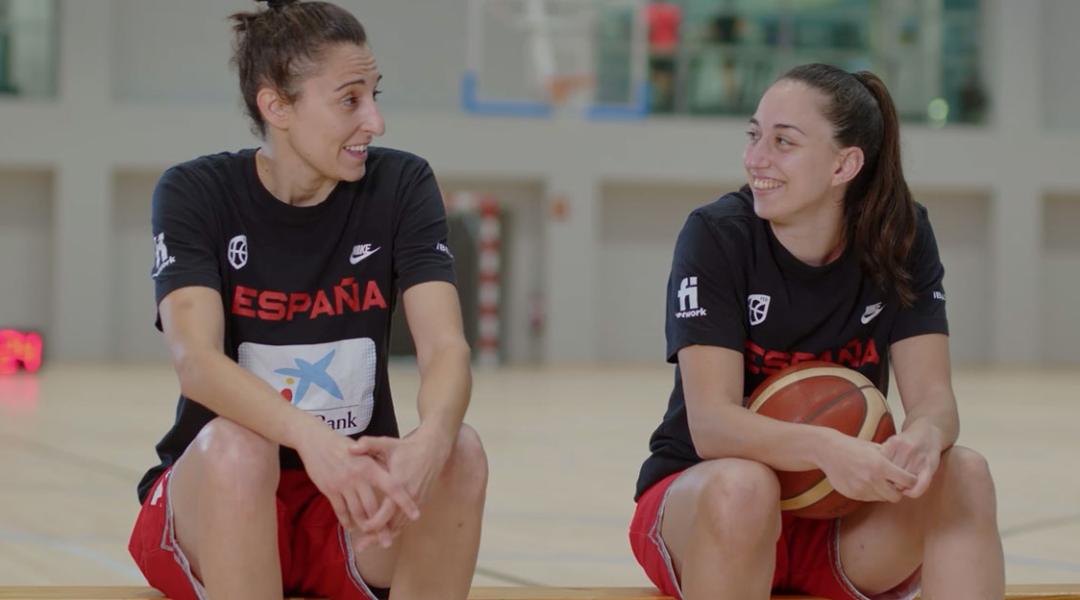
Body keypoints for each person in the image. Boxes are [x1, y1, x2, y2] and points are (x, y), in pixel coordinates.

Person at [127, 1, 487, 599]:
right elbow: (196, 362)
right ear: (278, 106)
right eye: (350, 99)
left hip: (348, 509)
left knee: (460, 451)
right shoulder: (196, 192)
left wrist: (431, 438)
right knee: (240, 447)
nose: (375, 121)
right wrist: (313, 439)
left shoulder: (401, 185)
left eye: (375, 95)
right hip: (220, 499)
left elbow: (446, 346)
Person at [629, 63, 1004, 600]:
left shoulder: (902, 235)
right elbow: (711, 426)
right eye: (755, 135)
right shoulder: (716, 235)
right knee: (746, 486)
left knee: (964, 473)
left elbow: (935, 401)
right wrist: (825, 447)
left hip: (840, 523)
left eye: (784, 142)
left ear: (844, 164)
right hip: (706, 505)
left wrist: (923, 436)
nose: (756, 158)